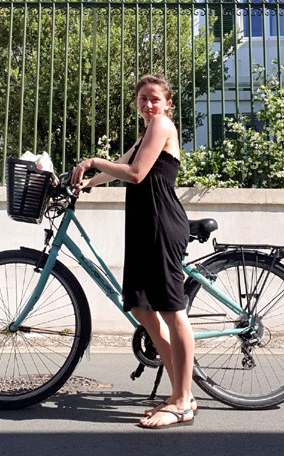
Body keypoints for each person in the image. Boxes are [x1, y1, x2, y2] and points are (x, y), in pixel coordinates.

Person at [72, 74, 195, 429]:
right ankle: (178, 392)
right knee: (142, 307)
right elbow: (120, 167)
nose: (148, 104)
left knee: (172, 311)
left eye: (155, 98)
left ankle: (184, 401)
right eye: (143, 98)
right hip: (144, 228)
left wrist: (94, 161)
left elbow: (136, 173)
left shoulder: (161, 125)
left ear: (168, 103)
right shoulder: (145, 134)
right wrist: (87, 182)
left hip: (161, 225)